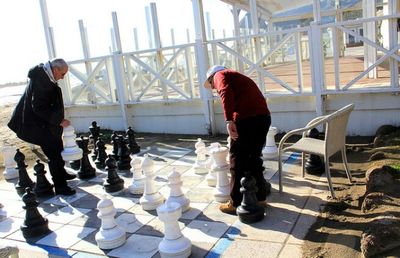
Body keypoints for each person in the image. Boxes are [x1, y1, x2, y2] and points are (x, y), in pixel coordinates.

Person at [204, 65, 271, 215]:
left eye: (212, 85)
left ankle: (235, 202)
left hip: (246, 120)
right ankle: (260, 198)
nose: (214, 88)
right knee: (254, 158)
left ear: (211, 78)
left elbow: (225, 92)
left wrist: (229, 121)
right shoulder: (237, 77)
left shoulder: (219, 75)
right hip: (263, 118)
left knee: (237, 160)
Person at [8, 58, 76, 196]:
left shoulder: (45, 76)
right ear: (55, 69)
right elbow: (38, 107)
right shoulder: (41, 79)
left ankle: (61, 173)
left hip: (45, 123)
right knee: (54, 154)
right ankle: (61, 186)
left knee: (58, 147)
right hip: (38, 125)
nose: (62, 78)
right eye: (62, 74)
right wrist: (59, 120)